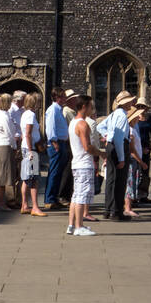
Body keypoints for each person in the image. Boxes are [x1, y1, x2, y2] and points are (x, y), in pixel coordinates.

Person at [98, 91, 135, 221]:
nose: (132, 103)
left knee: (111, 179)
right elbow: (119, 139)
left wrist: (107, 135)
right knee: (119, 180)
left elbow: (100, 126)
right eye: (130, 101)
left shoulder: (114, 114)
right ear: (125, 103)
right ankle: (116, 212)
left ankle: (108, 210)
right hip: (118, 146)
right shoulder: (122, 117)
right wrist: (122, 158)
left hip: (110, 146)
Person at [66, 94, 98, 237]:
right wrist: (101, 153)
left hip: (77, 163)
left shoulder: (73, 122)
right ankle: (79, 226)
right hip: (84, 163)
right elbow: (87, 147)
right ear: (84, 107)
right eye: (91, 106)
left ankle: (72, 225)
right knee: (81, 196)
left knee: (76, 195)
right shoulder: (82, 124)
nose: (92, 109)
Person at [19, 93, 46, 216]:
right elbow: (28, 134)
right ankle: (35, 207)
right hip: (30, 149)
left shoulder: (25, 114)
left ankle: (24, 205)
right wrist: (31, 151)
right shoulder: (30, 115)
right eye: (38, 101)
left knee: (26, 179)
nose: (40, 103)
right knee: (34, 179)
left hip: (26, 147)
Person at [44, 87, 70, 209]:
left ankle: (54, 197)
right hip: (57, 143)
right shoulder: (53, 110)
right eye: (63, 96)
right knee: (54, 172)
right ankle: (49, 199)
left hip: (62, 142)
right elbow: (50, 127)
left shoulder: (59, 110)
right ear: (57, 97)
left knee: (59, 172)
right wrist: (54, 142)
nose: (65, 98)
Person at [123, 102, 148, 218]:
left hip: (135, 160)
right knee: (130, 183)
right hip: (133, 161)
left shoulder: (133, 129)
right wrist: (142, 162)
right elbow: (132, 150)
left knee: (132, 182)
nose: (139, 118)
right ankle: (127, 208)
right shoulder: (131, 131)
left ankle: (129, 207)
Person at [0, 93, 14, 212]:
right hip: (4, 145)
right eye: (9, 101)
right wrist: (14, 146)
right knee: (3, 175)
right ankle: (1, 203)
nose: (11, 104)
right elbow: (9, 132)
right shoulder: (4, 115)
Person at [6, 91, 25, 210]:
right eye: (25, 99)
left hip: (22, 143)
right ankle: (10, 199)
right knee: (13, 172)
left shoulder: (22, 110)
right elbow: (10, 129)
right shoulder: (10, 111)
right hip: (15, 144)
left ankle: (18, 199)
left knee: (20, 172)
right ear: (18, 100)